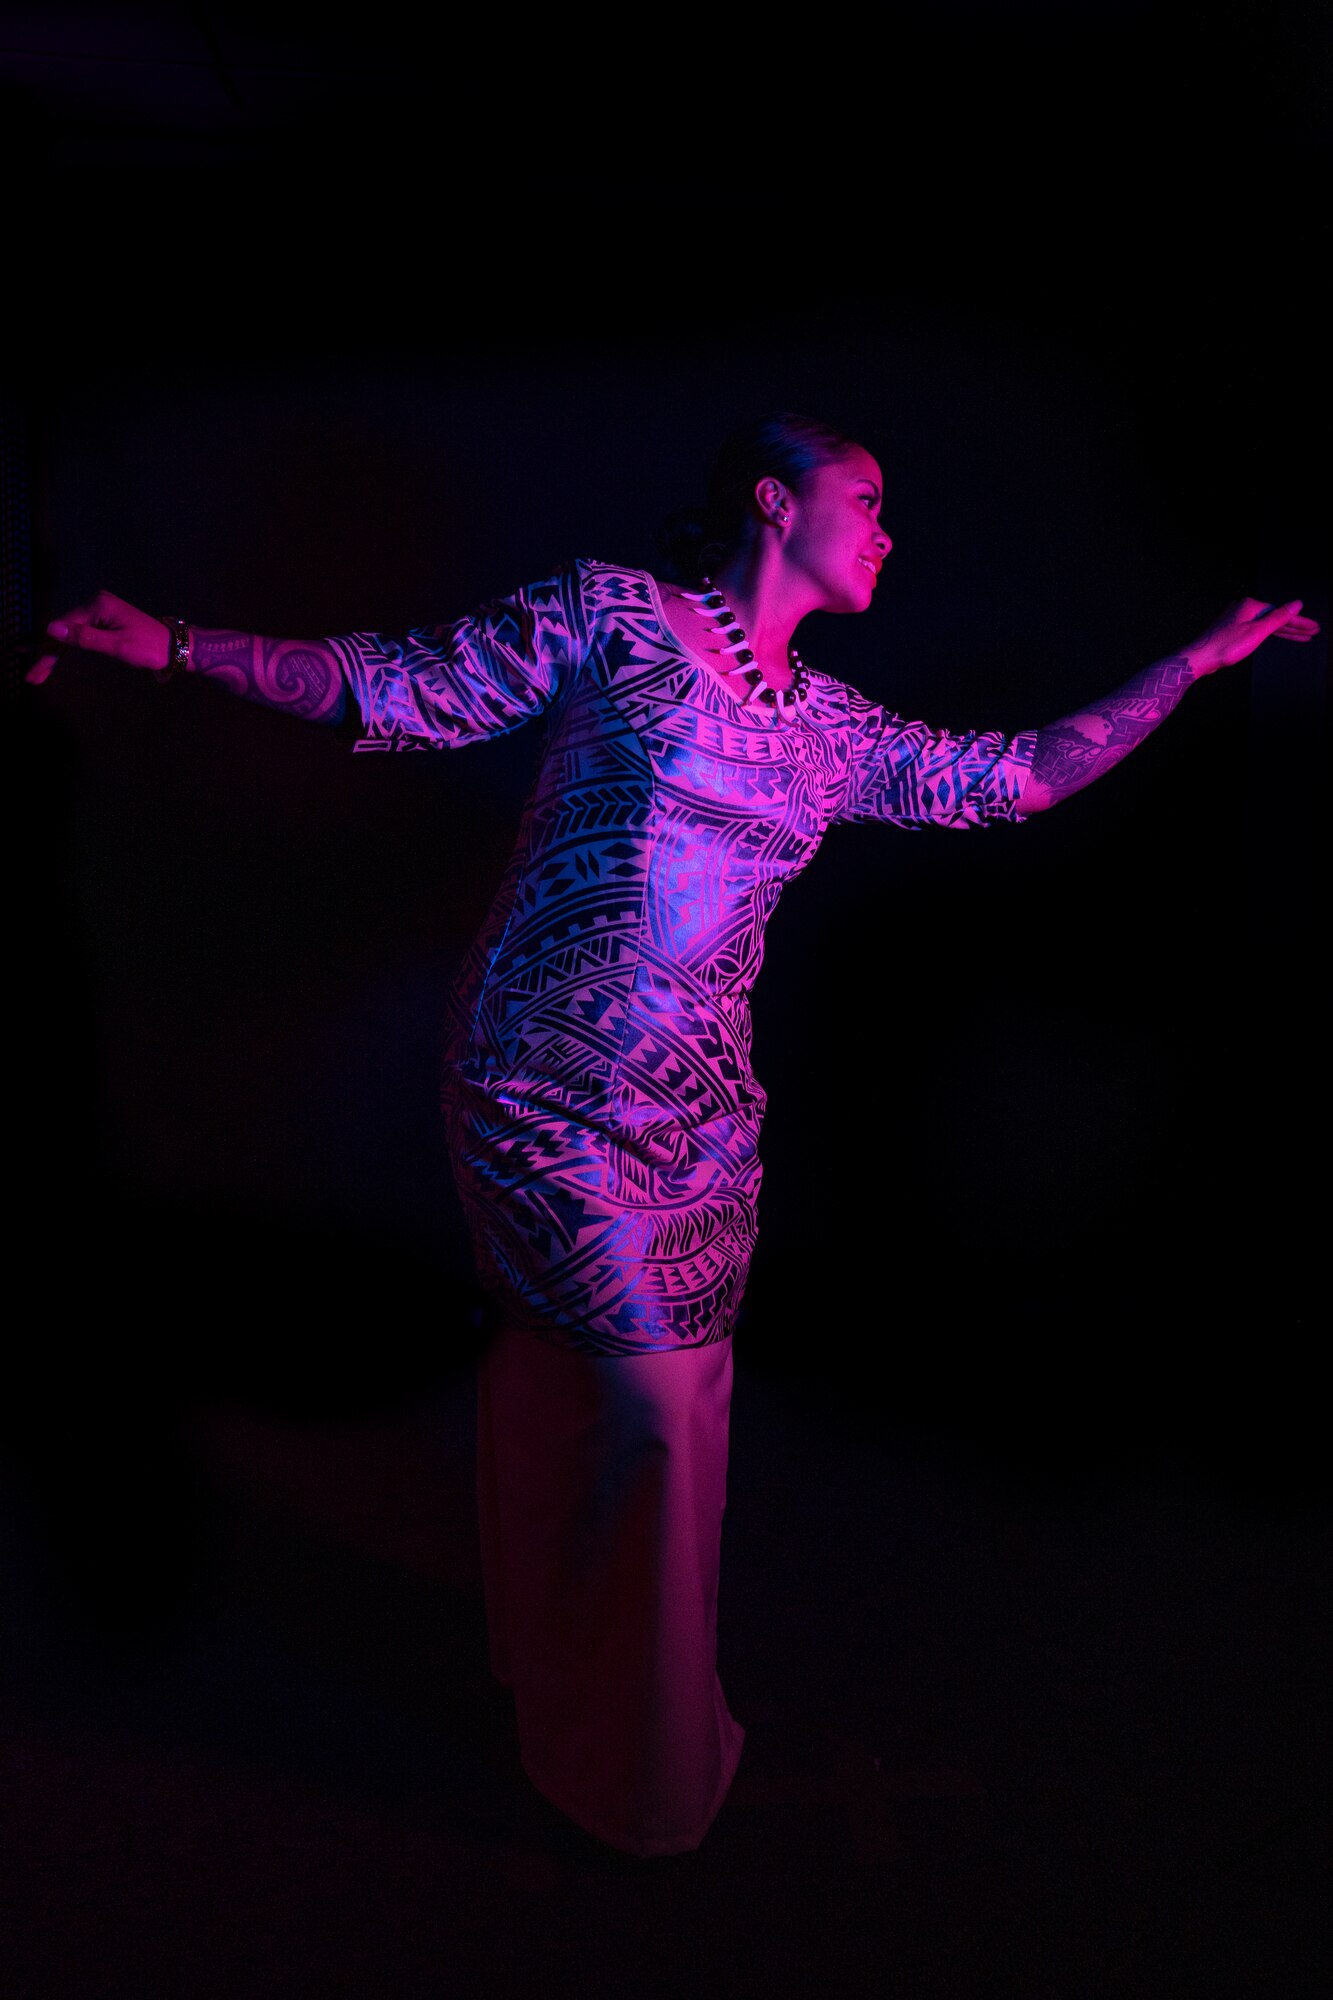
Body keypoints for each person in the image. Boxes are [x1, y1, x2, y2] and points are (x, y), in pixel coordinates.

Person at [30, 412, 1317, 1858]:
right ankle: (625, 1782)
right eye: (867, 499)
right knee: (635, 1400)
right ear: (775, 504)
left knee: (649, 1406)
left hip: (702, 1118)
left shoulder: (828, 730)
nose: (888, 529)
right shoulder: (610, 617)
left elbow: (1008, 779)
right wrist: (179, 643)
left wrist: (1191, 669)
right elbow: (399, 685)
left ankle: (568, 1688)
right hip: (547, 1084)